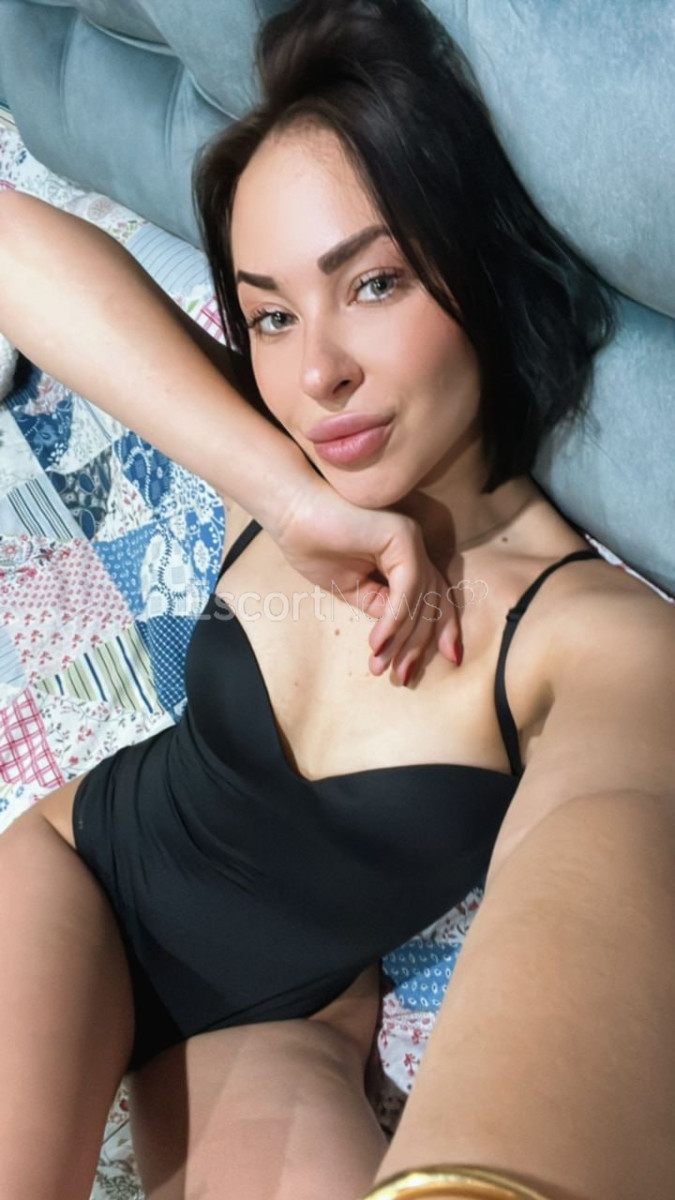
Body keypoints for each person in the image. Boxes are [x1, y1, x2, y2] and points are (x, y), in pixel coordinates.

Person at [0, 1, 673, 1198]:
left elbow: (618, 835)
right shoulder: (277, 459)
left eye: (373, 283)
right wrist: (280, 490)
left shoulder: (589, 638)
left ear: (475, 262)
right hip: (82, 877)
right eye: (271, 313)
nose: (317, 373)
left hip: (285, 1014)